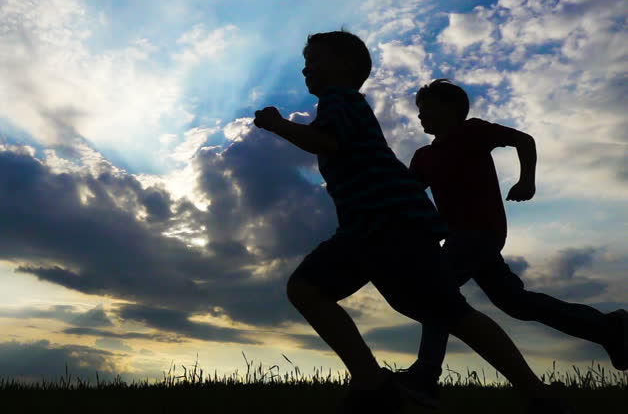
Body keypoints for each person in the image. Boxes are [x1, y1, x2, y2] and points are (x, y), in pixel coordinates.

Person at [253, 29, 572, 413]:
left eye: (315, 59)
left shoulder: (340, 101)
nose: (306, 68)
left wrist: (279, 124)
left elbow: (328, 142)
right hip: (369, 227)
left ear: (345, 66)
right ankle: (376, 386)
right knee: (313, 289)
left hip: (390, 224)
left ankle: (537, 395)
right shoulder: (346, 105)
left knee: (444, 310)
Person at [389, 78, 628, 409]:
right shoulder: (423, 156)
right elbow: (410, 196)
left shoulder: (472, 132)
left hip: (481, 232)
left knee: (436, 292)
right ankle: (608, 328)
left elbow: (523, 140)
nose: (420, 116)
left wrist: (526, 180)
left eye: (425, 108)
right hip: (459, 238)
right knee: (516, 302)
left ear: (449, 108)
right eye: (418, 110)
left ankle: (425, 375)